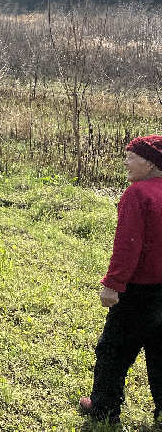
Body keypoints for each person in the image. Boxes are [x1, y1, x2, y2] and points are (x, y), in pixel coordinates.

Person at [79, 135, 162, 426]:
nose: (125, 161)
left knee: (113, 349)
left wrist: (113, 285)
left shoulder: (137, 194)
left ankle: (103, 408)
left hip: (139, 292)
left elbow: (128, 246)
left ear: (150, 162)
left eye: (130, 156)